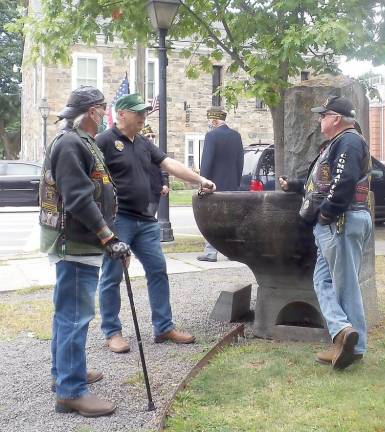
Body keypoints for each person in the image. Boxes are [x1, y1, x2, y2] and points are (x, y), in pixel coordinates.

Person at [96, 93, 216, 353]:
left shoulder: (142, 143)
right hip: (120, 220)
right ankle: (112, 332)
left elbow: (169, 163)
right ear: (122, 114)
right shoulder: (104, 141)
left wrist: (199, 179)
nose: (143, 117)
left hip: (146, 221)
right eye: (138, 112)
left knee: (158, 270)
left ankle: (163, 328)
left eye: (144, 112)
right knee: (113, 275)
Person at [39, 86, 131, 416]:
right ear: (93, 112)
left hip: (80, 241)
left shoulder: (82, 141)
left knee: (68, 314)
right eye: (104, 108)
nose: (107, 114)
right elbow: (78, 199)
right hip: (74, 242)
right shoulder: (70, 144)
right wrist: (109, 237)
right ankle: (70, 391)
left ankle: (64, 375)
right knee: (74, 318)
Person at [279, 96, 372, 370]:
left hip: (341, 221)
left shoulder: (349, 140)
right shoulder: (341, 143)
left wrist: (326, 214)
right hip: (337, 223)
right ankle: (343, 332)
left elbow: (343, 182)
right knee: (323, 281)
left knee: (345, 286)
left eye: (323, 115)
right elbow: (324, 182)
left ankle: (356, 346)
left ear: (336, 119)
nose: (320, 120)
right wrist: (295, 185)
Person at [197, 106, 244, 262]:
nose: (209, 124)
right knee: (230, 219)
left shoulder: (211, 136)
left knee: (211, 220)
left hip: (214, 186)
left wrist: (203, 181)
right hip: (232, 185)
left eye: (210, 121)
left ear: (215, 121)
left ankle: (210, 253)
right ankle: (233, 252)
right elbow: (240, 162)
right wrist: (236, 182)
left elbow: (207, 162)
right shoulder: (236, 136)